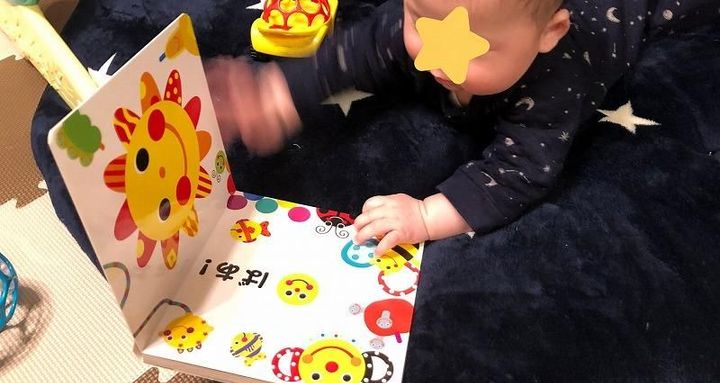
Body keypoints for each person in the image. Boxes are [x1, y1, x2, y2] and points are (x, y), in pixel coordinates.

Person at [204, 0, 718, 255]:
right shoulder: (427, 19)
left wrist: (426, 216)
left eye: (473, 48)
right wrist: (277, 94)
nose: (434, 56)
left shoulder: (556, 84)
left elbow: (520, 171)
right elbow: (359, 48)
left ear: (549, 33)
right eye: (420, 23)